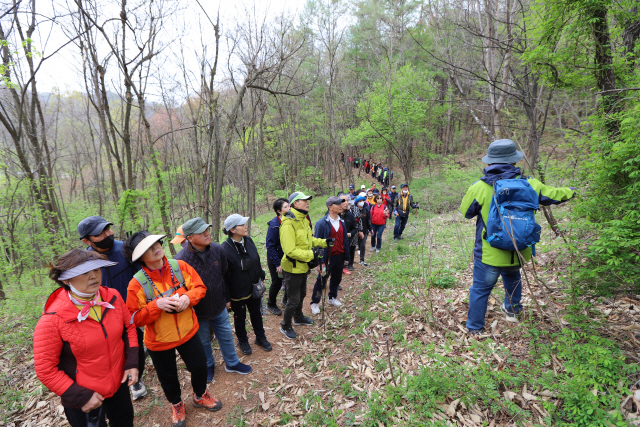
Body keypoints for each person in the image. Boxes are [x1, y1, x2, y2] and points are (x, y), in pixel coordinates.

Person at [460, 139, 576, 335]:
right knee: (512, 276)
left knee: (480, 289)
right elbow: (554, 195)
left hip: (489, 252)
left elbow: (466, 212)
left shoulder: (479, 187)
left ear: (489, 163)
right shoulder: (530, 183)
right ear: (515, 161)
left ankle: (474, 328)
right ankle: (512, 310)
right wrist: (572, 192)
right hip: (519, 250)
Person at [125, 232, 220, 427]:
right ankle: (176, 404)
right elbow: (133, 319)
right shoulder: (136, 284)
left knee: (200, 366)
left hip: (188, 331)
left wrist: (188, 298)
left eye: (157, 243)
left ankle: (200, 395)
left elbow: (199, 287)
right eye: (149, 248)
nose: (156, 247)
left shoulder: (179, 266)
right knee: (168, 377)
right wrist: (156, 306)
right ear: (141, 256)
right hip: (159, 341)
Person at [34, 250, 138, 427]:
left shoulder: (112, 297)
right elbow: (45, 369)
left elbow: (128, 327)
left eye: (97, 270)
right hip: (82, 395)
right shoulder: (53, 319)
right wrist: (80, 396)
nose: (93, 277)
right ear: (66, 280)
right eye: (83, 273)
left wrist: (132, 362)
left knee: (125, 422)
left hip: (118, 383)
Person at [77, 215, 147, 401]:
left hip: (132, 309)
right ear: (87, 240)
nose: (109, 234)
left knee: (136, 344)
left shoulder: (125, 249)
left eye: (108, 229)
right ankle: (125, 378)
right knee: (115, 349)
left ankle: (137, 375)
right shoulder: (85, 262)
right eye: (101, 233)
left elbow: (141, 277)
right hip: (105, 315)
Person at [175, 218, 252, 383]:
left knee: (226, 335)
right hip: (198, 310)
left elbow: (224, 275)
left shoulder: (217, 249)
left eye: (207, 229)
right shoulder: (180, 259)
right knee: (203, 340)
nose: (207, 233)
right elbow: (180, 288)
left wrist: (227, 298)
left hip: (219, 304)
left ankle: (232, 363)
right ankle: (208, 365)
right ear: (189, 238)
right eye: (201, 232)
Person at [279, 192, 329, 339]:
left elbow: (309, 240)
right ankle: (285, 325)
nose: (307, 203)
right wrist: (312, 255)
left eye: (308, 200)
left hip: (303, 266)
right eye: (304, 200)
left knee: (302, 294)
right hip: (292, 267)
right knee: (293, 298)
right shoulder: (288, 223)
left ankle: (298, 317)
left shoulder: (303, 220)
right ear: (295, 204)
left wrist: (324, 242)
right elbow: (290, 250)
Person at [220, 214, 271, 355]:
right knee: (240, 317)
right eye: (242, 225)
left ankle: (261, 337)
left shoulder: (248, 240)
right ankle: (243, 340)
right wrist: (227, 297)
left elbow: (256, 259)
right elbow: (223, 276)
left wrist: (261, 274)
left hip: (253, 286)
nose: (245, 226)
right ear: (232, 230)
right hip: (237, 292)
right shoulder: (224, 249)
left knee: (256, 313)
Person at [310, 196, 349, 314]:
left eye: (341, 204)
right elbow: (317, 243)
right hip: (327, 258)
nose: (341, 206)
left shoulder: (341, 221)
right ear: (330, 207)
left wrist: (347, 256)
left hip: (340, 255)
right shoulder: (322, 223)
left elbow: (344, 240)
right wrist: (320, 261)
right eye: (338, 204)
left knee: (337, 278)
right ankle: (315, 302)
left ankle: (332, 297)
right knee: (321, 280)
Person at [265, 199, 290, 314]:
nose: (289, 208)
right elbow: (270, 246)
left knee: (289, 280)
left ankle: (285, 300)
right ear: (279, 211)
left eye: (288, 205)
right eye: (286, 207)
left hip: (287, 257)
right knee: (277, 282)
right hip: (276, 258)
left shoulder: (289, 221)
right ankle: (271, 303)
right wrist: (277, 263)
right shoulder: (274, 226)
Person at [338, 193, 357, 276]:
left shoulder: (350, 215)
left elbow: (355, 228)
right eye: (344, 200)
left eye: (347, 200)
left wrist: (349, 234)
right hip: (335, 240)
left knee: (346, 253)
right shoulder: (333, 214)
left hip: (346, 240)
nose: (347, 202)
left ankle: (344, 267)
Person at [353, 195, 372, 266]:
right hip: (355, 231)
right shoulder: (353, 210)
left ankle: (362, 259)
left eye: (362, 201)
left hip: (364, 230)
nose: (361, 202)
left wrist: (370, 229)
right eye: (359, 201)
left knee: (363, 245)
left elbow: (368, 220)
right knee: (353, 246)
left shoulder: (365, 210)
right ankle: (350, 261)